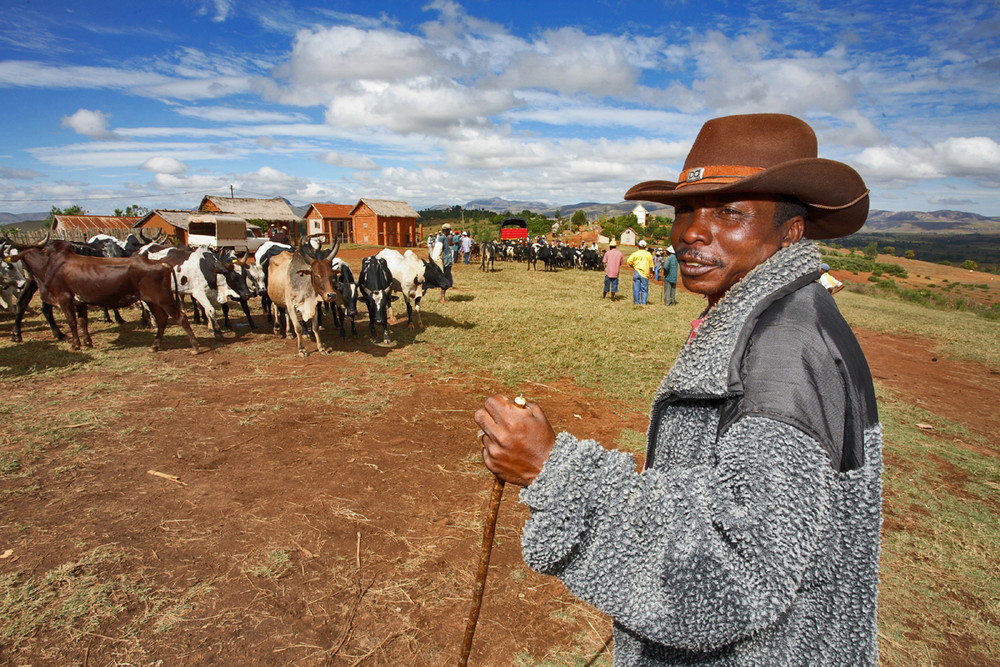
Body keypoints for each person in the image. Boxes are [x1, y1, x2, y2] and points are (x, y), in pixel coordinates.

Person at [475, 113, 881, 666]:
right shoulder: (771, 317)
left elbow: (737, 575)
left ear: (791, 231)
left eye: (730, 212)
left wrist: (554, 470)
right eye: (686, 209)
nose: (692, 230)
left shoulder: (782, 355)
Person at [427, 223, 454, 302]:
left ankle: (443, 297)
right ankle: (443, 299)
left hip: (441, 260)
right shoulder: (443, 238)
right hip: (443, 262)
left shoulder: (440, 238)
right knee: (446, 280)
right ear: (448, 231)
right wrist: (442, 262)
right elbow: (440, 252)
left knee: (446, 280)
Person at [626, 239, 654, 305]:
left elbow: (629, 262)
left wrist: (634, 267)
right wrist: (651, 273)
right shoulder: (648, 254)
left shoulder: (635, 253)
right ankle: (643, 303)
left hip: (637, 272)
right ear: (645, 246)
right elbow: (651, 266)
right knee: (644, 289)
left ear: (638, 246)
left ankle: (636, 302)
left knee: (636, 288)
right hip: (645, 274)